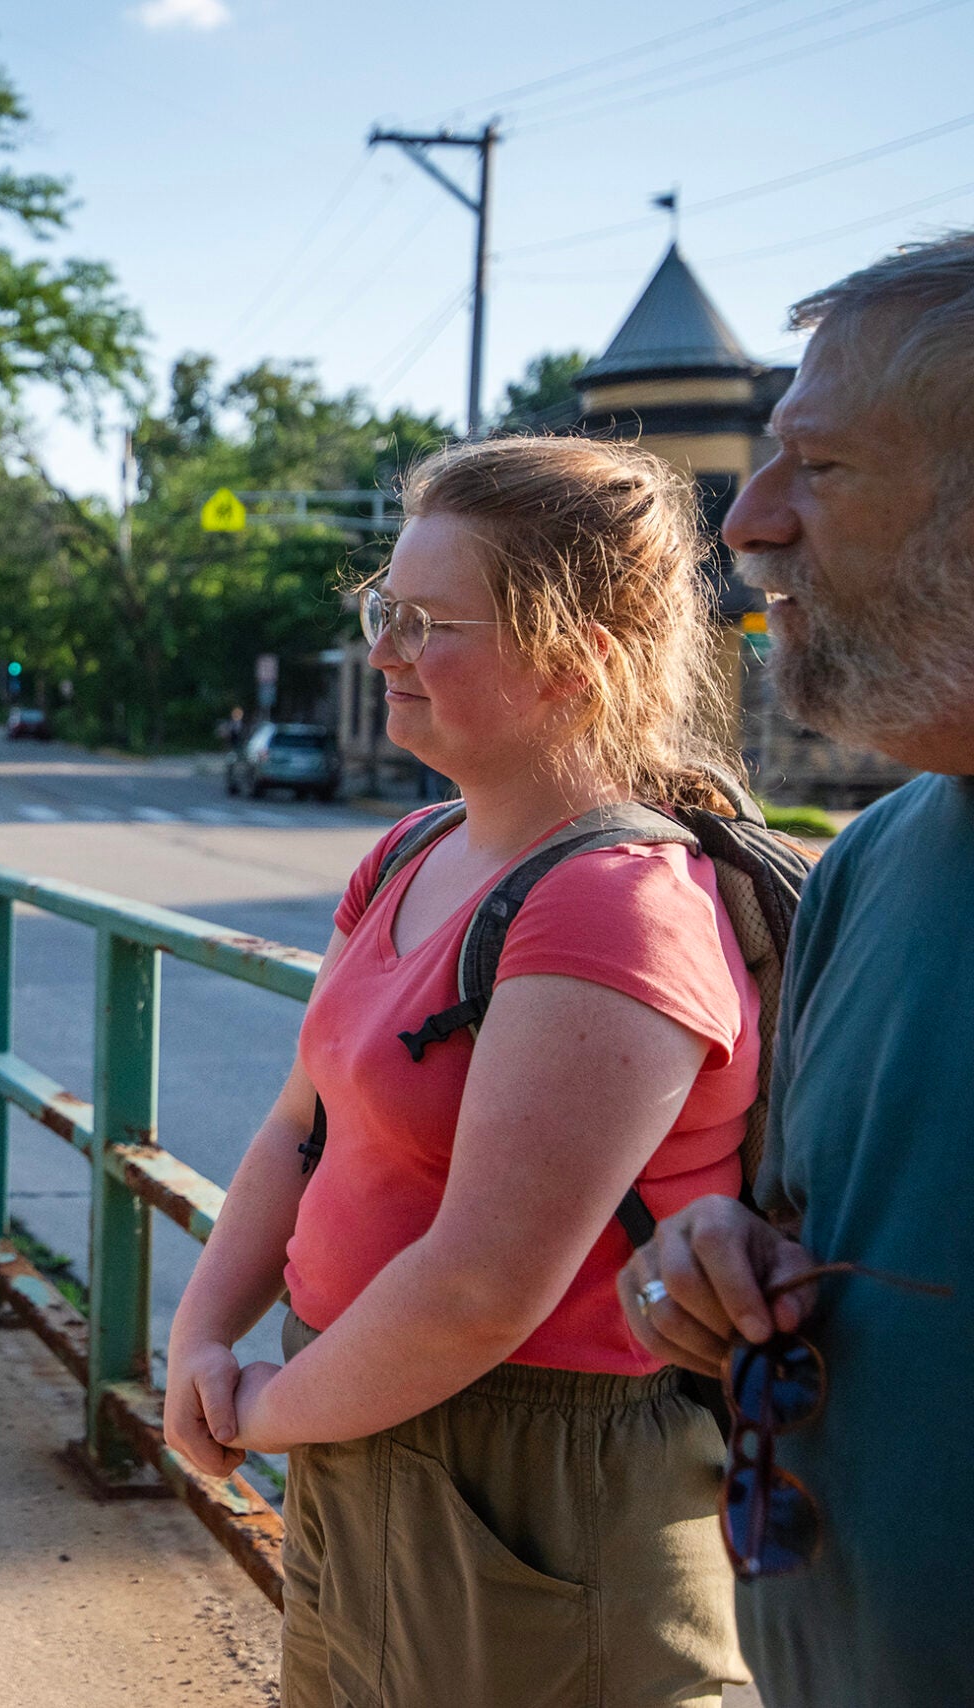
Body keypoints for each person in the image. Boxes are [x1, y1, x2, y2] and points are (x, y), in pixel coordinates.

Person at [164, 435, 761, 1707]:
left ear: (578, 660)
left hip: (535, 1473)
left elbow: (483, 1286)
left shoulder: (614, 906)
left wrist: (264, 1409)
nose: (380, 647)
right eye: (383, 605)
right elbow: (298, 1127)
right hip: (355, 1410)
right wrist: (202, 1340)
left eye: (425, 622)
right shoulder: (411, 848)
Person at [618, 233, 974, 1707]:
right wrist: (697, 1273)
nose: (750, 524)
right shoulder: (875, 862)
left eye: (817, 469)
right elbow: (773, 1238)